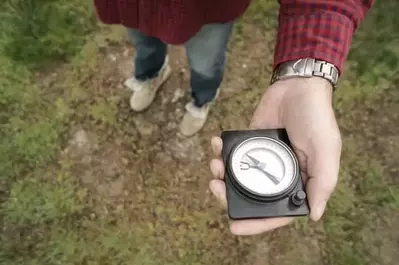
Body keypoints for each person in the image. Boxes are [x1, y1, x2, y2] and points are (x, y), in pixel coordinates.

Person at [93, 0, 374, 235]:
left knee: (205, 65)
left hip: (206, 8)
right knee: (144, 46)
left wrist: (307, 75)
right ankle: (151, 74)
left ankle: (201, 99)